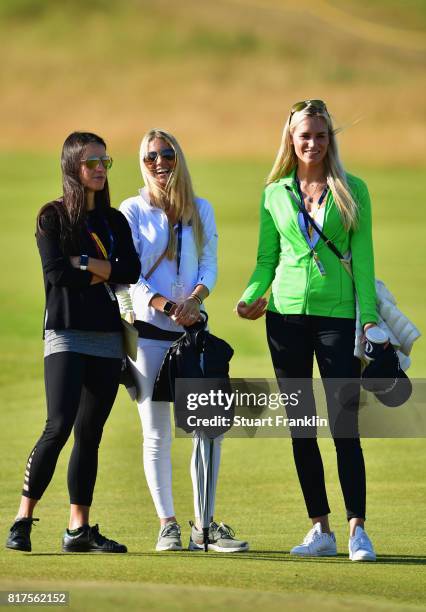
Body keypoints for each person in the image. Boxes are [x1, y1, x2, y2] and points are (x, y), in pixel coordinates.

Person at [237, 100, 378, 561]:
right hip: (284, 319)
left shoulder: (352, 189)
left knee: (343, 426)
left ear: (329, 138)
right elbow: (265, 260)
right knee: (301, 428)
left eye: (320, 135)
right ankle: (321, 528)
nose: (313, 143)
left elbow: (365, 258)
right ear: (291, 141)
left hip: (337, 318)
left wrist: (370, 316)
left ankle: (357, 530)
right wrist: (250, 295)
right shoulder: (273, 193)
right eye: (305, 136)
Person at [6, 132, 141, 553]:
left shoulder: (115, 221)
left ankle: (77, 529)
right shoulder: (51, 216)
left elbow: (131, 271)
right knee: (58, 425)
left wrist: (83, 261)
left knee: (89, 434)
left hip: (106, 339)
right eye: (91, 162)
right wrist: (104, 268)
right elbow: (56, 275)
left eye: (105, 161)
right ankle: (22, 519)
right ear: (72, 167)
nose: (100, 169)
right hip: (64, 333)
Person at [120, 128, 248, 552]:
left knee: (207, 431)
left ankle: (203, 528)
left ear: (179, 158)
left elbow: (209, 265)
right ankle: (168, 524)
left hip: (193, 335)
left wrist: (194, 299)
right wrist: (162, 303)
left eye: (167, 154)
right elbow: (128, 275)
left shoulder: (200, 209)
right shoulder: (133, 210)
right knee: (156, 434)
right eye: (152, 156)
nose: (160, 162)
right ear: (143, 161)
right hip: (150, 335)